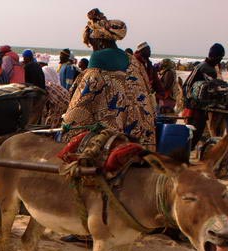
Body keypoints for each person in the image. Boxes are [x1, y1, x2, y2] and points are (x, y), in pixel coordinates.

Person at [62, 8, 157, 147]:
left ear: (99, 41)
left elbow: (81, 104)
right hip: (144, 139)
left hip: (113, 143)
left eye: (92, 44)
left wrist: (66, 128)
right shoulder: (133, 62)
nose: (92, 48)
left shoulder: (98, 60)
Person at [183, 43, 225, 148]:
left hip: (203, 108)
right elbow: (187, 85)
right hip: (194, 109)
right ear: (215, 56)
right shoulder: (200, 67)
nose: (220, 60)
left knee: (198, 135)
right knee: (192, 135)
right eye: (220, 57)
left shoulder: (212, 69)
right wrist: (190, 99)